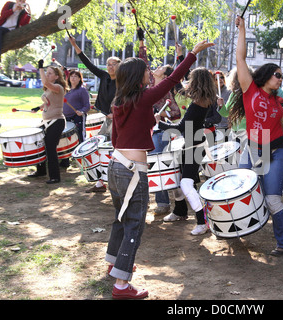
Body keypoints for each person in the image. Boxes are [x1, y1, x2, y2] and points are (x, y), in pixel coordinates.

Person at [106, 40, 214, 299]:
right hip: (133, 170)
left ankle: (114, 263)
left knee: (121, 218)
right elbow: (174, 78)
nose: (149, 73)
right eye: (146, 70)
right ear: (137, 76)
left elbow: (116, 136)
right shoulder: (143, 98)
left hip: (116, 164)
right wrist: (192, 54)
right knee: (134, 225)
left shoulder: (120, 100)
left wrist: (147, 123)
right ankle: (121, 285)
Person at [235, 15, 283, 256]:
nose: (280, 79)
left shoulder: (279, 100)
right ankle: (235, 231)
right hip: (252, 150)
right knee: (242, 192)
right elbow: (240, 57)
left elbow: (277, 122)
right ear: (267, 75)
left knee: (272, 200)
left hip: (277, 151)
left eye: (282, 76)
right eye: (277, 75)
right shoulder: (249, 89)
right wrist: (243, 29)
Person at [157, 67, 217, 235]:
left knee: (186, 183)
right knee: (179, 179)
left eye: (191, 79)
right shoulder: (202, 101)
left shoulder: (197, 105)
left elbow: (180, 127)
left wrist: (159, 122)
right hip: (192, 145)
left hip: (194, 148)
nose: (188, 82)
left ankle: (202, 221)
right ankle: (181, 211)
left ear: (196, 83)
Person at [137, 27, 182, 215]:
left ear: (164, 76)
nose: (156, 68)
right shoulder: (147, 84)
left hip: (160, 131)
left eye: (161, 68)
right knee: (148, 164)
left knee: (156, 162)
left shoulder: (165, 90)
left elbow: (176, 114)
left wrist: (160, 114)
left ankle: (163, 202)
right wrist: (141, 41)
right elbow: (142, 62)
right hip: (144, 129)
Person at [68, 36, 121, 193]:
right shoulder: (104, 76)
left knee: (112, 151)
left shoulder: (124, 81)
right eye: (108, 64)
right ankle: (100, 183)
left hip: (118, 121)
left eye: (113, 64)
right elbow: (87, 63)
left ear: (120, 65)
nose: (110, 66)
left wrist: (116, 115)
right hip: (108, 120)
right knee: (99, 147)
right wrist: (74, 45)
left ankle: (115, 183)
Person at [28, 61, 67, 184]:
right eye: (46, 72)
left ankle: (55, 177)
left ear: (57, 76)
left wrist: (40, 68)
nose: (47, 75)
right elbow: (48, 101)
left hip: (56, 121)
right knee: (39, 145)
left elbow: (44, 82)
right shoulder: (49, 89)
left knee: (50, 148)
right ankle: (41, 171)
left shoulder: (58, 87)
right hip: (46, 121)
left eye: (50, 73)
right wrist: (38, 107)